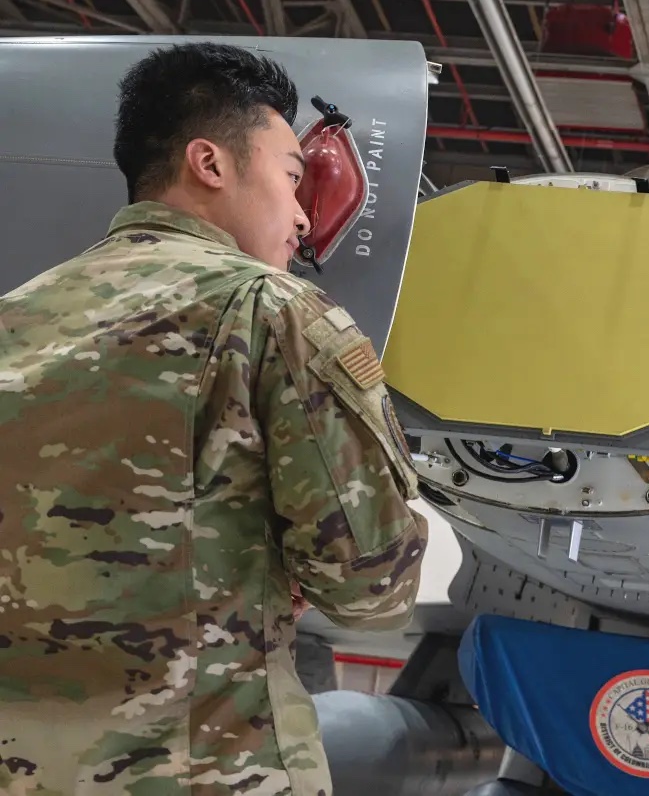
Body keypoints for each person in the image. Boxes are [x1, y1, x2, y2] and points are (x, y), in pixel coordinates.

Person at [0, 42, 429, 793]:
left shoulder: (15, 318)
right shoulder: (272, 310)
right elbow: (372, 587)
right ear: (210, 163)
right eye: (291, 176)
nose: (303, 215)